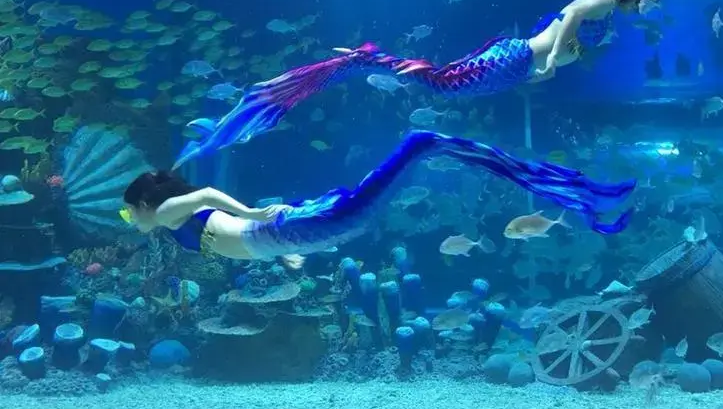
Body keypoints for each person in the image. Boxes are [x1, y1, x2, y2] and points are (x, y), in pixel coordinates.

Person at [173, 0, 659, 169]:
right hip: (516, 58)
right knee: (441, 83)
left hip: (516, 68)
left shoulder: (609, 14)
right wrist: (552, 59)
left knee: (442, 85)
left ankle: (369, 59)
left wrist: (568, 57)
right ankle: (368, 57)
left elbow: (572, 37)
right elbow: (568, 16)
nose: (649, 5)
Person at [123, 131, 636, 265]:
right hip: (289, 236)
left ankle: (418, 142)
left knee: (370, 199)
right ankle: (418, 146)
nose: (133, 221)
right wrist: (286, 255)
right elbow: (220, 225)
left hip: (284, 228)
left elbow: (208, 193)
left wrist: (252, 212)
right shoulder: (174, 223)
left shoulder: (166, 213)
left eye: (130, 212)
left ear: (147, 204)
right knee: (360, 210)